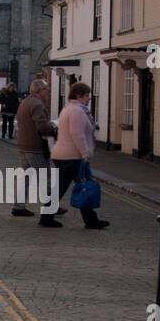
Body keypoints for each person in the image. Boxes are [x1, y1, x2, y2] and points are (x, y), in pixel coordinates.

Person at [48, 82, 110, 230]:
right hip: (72, 156)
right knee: (84, 185)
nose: (89, 98)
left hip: (63, 154)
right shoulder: (77, 111)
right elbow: (77, 134)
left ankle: (47, 216)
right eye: (86, 96)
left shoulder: (69, 108)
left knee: (68, 186)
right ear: (78, 96)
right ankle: (90, 221)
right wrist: (85, 153)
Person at [12, 78, 58, 222]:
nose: (48, 93)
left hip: (23, 145)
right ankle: (51, 206)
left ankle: (18, 207)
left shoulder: (25, 102)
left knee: (25, 178)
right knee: (45, 178)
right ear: (40, 91)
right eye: (47, 90)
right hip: (35, 147)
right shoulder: (38, 105)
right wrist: (55, 128)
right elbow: (42, 127)